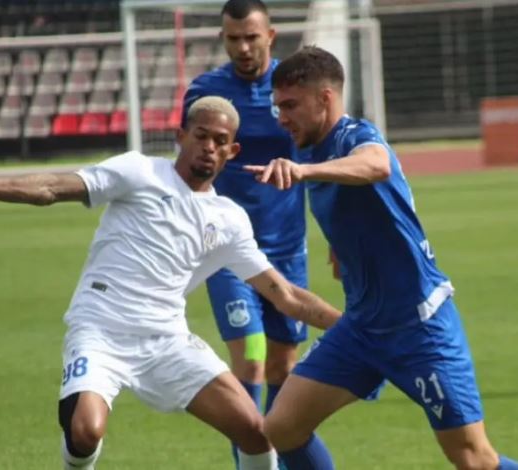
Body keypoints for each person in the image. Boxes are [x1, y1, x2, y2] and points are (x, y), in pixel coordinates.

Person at [0, 96, 342, 470]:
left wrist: (351, 329)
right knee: (86, 430)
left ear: (232, 150)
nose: (209, 147)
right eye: (201, 136)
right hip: (100, 330)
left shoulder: (228, 218)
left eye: (220, 141)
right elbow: (52, 188)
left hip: (166, 340)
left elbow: (283, 294)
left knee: (255, 432)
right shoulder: (139, 171)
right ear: (181, 136)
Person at [246, 47, 518, 470]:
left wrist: (304, 173)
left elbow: (376, 165)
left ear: (325, 98)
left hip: (419, 328)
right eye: (277, 107)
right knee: (282, 427)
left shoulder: (354, 136)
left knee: (474, 459)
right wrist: (341, 248)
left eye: (290, 105)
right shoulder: (310, 147)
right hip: (361, 330)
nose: (282, 117)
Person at [182, 3, 309, 459]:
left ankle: (282, 457)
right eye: (233, 38)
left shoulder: (293, 90)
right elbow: (187, 169)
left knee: (282, 365)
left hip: (287, 251)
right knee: (250, 363)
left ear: (270, 36)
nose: (243, 47)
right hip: (228, 254)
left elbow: (317, 163)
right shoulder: (207, 94)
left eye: (251, 37)